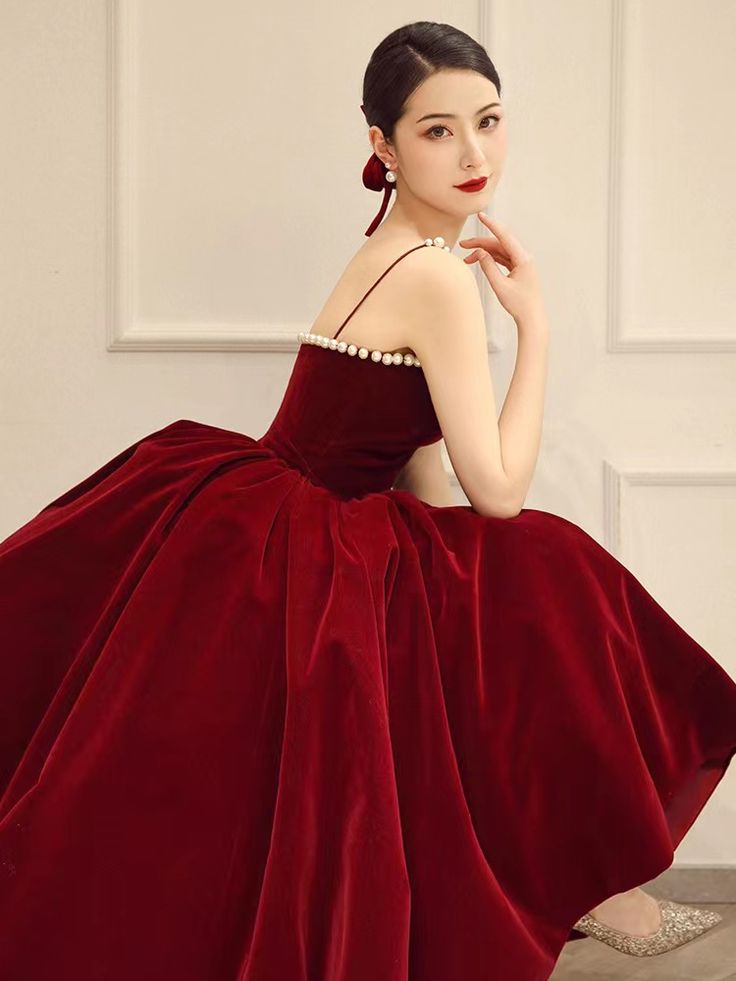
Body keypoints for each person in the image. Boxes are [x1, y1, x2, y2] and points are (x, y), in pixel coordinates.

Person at [0, 19, 734, 981]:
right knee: (555, 567)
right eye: (437, 131)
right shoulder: (434, 276)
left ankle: (581, 875)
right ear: (383, 145)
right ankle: (589, 879)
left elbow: (417, 468)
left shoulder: (397, 248)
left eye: (489, 121)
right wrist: (538, 328)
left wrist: (461, 591)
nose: (473, 156)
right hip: (304, 539)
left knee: (527, 586)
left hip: (292, 514)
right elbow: (498, 491)